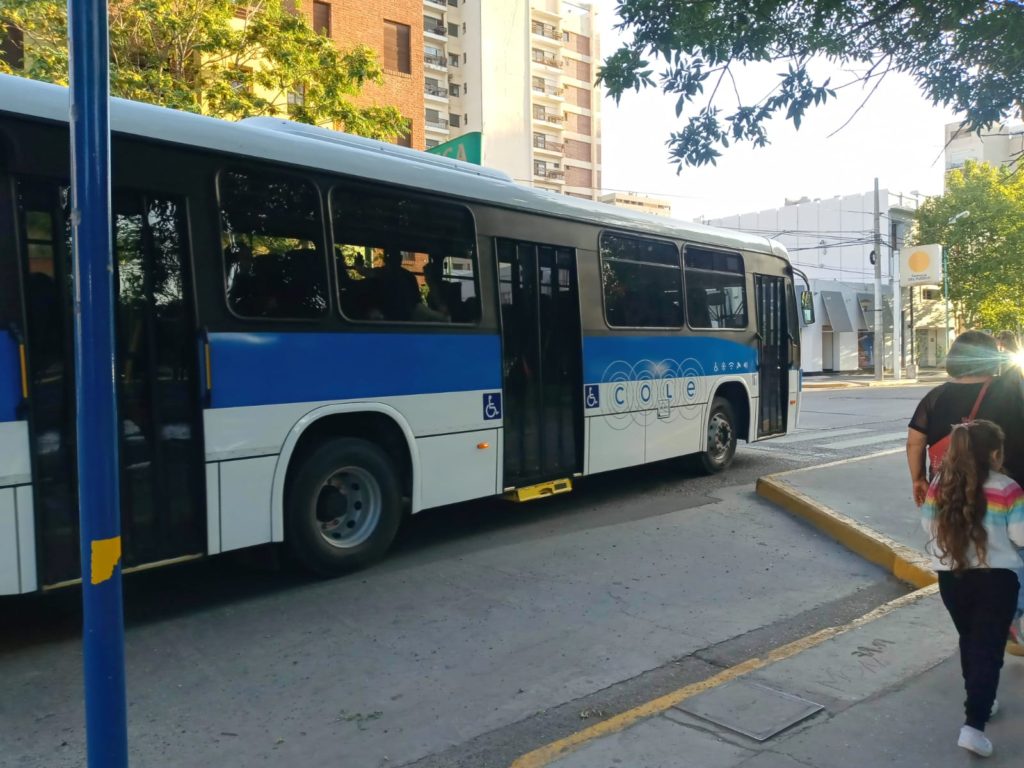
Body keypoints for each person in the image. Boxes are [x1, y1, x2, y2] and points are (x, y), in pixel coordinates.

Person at [920, 420, 1024, 757]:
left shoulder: (940, 486)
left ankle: (984, 700)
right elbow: (1021, 538)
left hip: (952, 579)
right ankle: (973, 726)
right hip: (997, 582)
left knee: (970, 640)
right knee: (989, 649)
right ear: (995, 453)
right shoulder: (1008, 489)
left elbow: (928, 525)